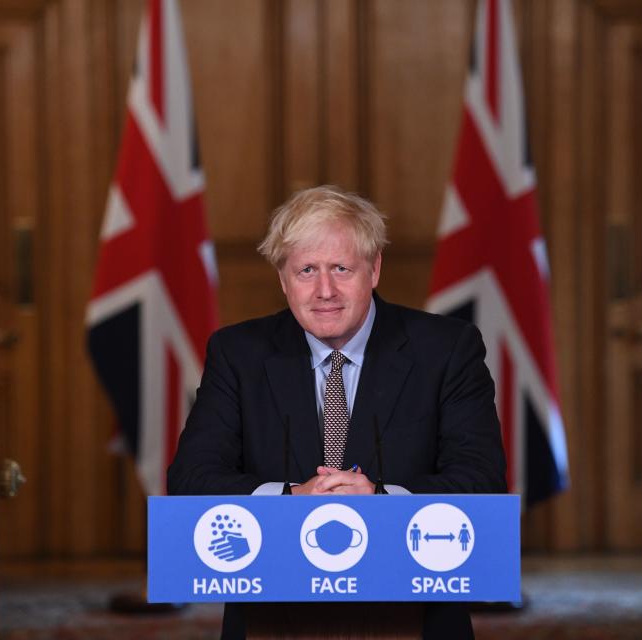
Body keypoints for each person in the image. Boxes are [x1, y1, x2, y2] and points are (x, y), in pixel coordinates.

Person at [167, 185, 507, 639]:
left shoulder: (447, 350)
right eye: (306, 270)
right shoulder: (237, 354)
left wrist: (382, 501)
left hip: (416, 613)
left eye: (341, 269)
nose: (324, 290)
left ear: (375, 269)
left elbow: (482, 482)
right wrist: (290, 499)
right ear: (283, 279)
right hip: (274, 615)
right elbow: (190, 481)